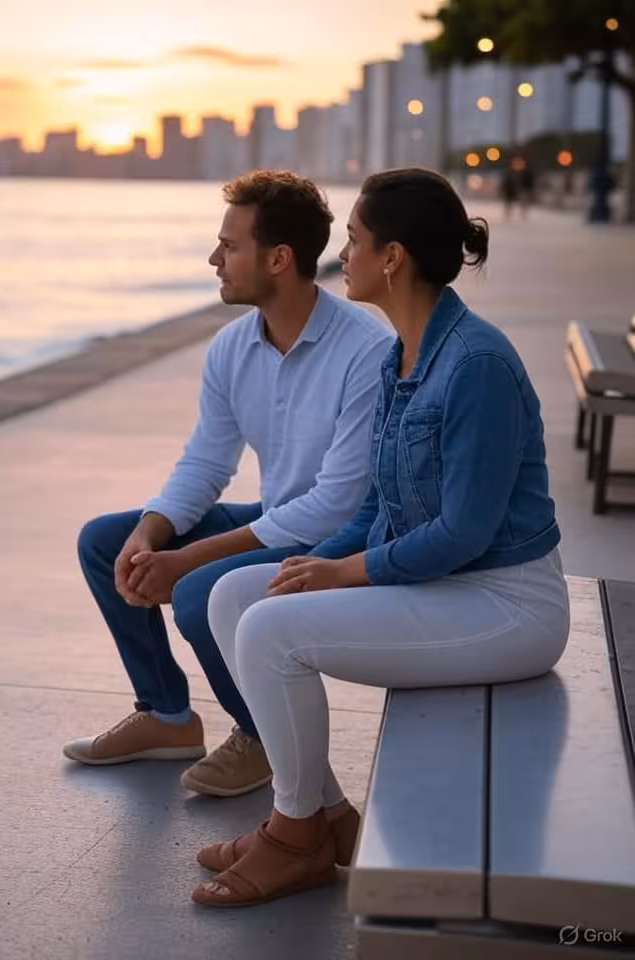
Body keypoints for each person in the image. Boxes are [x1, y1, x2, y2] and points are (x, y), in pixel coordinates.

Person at [194, 168, 570, 907]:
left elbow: (463, 532)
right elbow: (378, 507)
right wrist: (318, 562)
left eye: (356, 242)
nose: (343, 257)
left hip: (507, 605)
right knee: (238, 594)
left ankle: (293, 834)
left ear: (392, 257)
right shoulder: (395, 355)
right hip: (446, 585)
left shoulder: (477, 365)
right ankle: (324, 817)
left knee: (271, 634)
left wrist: (345, 574)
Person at [63, 171, 395, 800]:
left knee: (194, 592)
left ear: (278, 259)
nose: (214, 259)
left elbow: (338, 504)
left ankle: (261, 736)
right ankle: (167, 717)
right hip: (276, 518)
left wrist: (188, 557)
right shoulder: (232, 346)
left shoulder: (366, 350)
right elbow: (206, 463)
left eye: (229, 247)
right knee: (106, 542)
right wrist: (150, 531)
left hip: (343, 542)